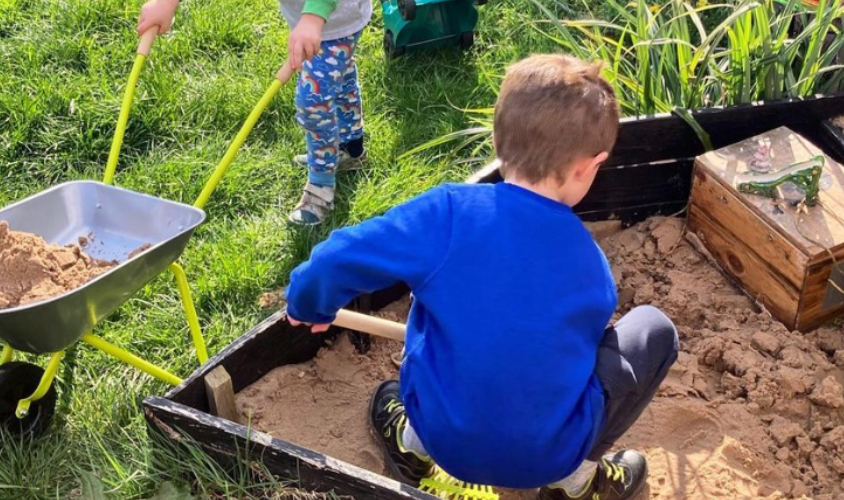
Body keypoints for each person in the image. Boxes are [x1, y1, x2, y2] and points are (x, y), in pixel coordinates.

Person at [285, 54, 678, 500]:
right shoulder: (590, 265)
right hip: (547, 454)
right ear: (590, 166)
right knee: (652, 331)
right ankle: (577, 480)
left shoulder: (447, 214)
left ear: (497, 140)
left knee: (437, 294)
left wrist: (308, 303)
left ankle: (411, 445)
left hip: (443, 436)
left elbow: (335, 258)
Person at [137, 0, 370, 225]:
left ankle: (321, 186)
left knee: (313, 102)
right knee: (340, 78)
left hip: (335, 21)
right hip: (311, 22)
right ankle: (350, 148)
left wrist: (313, 17)